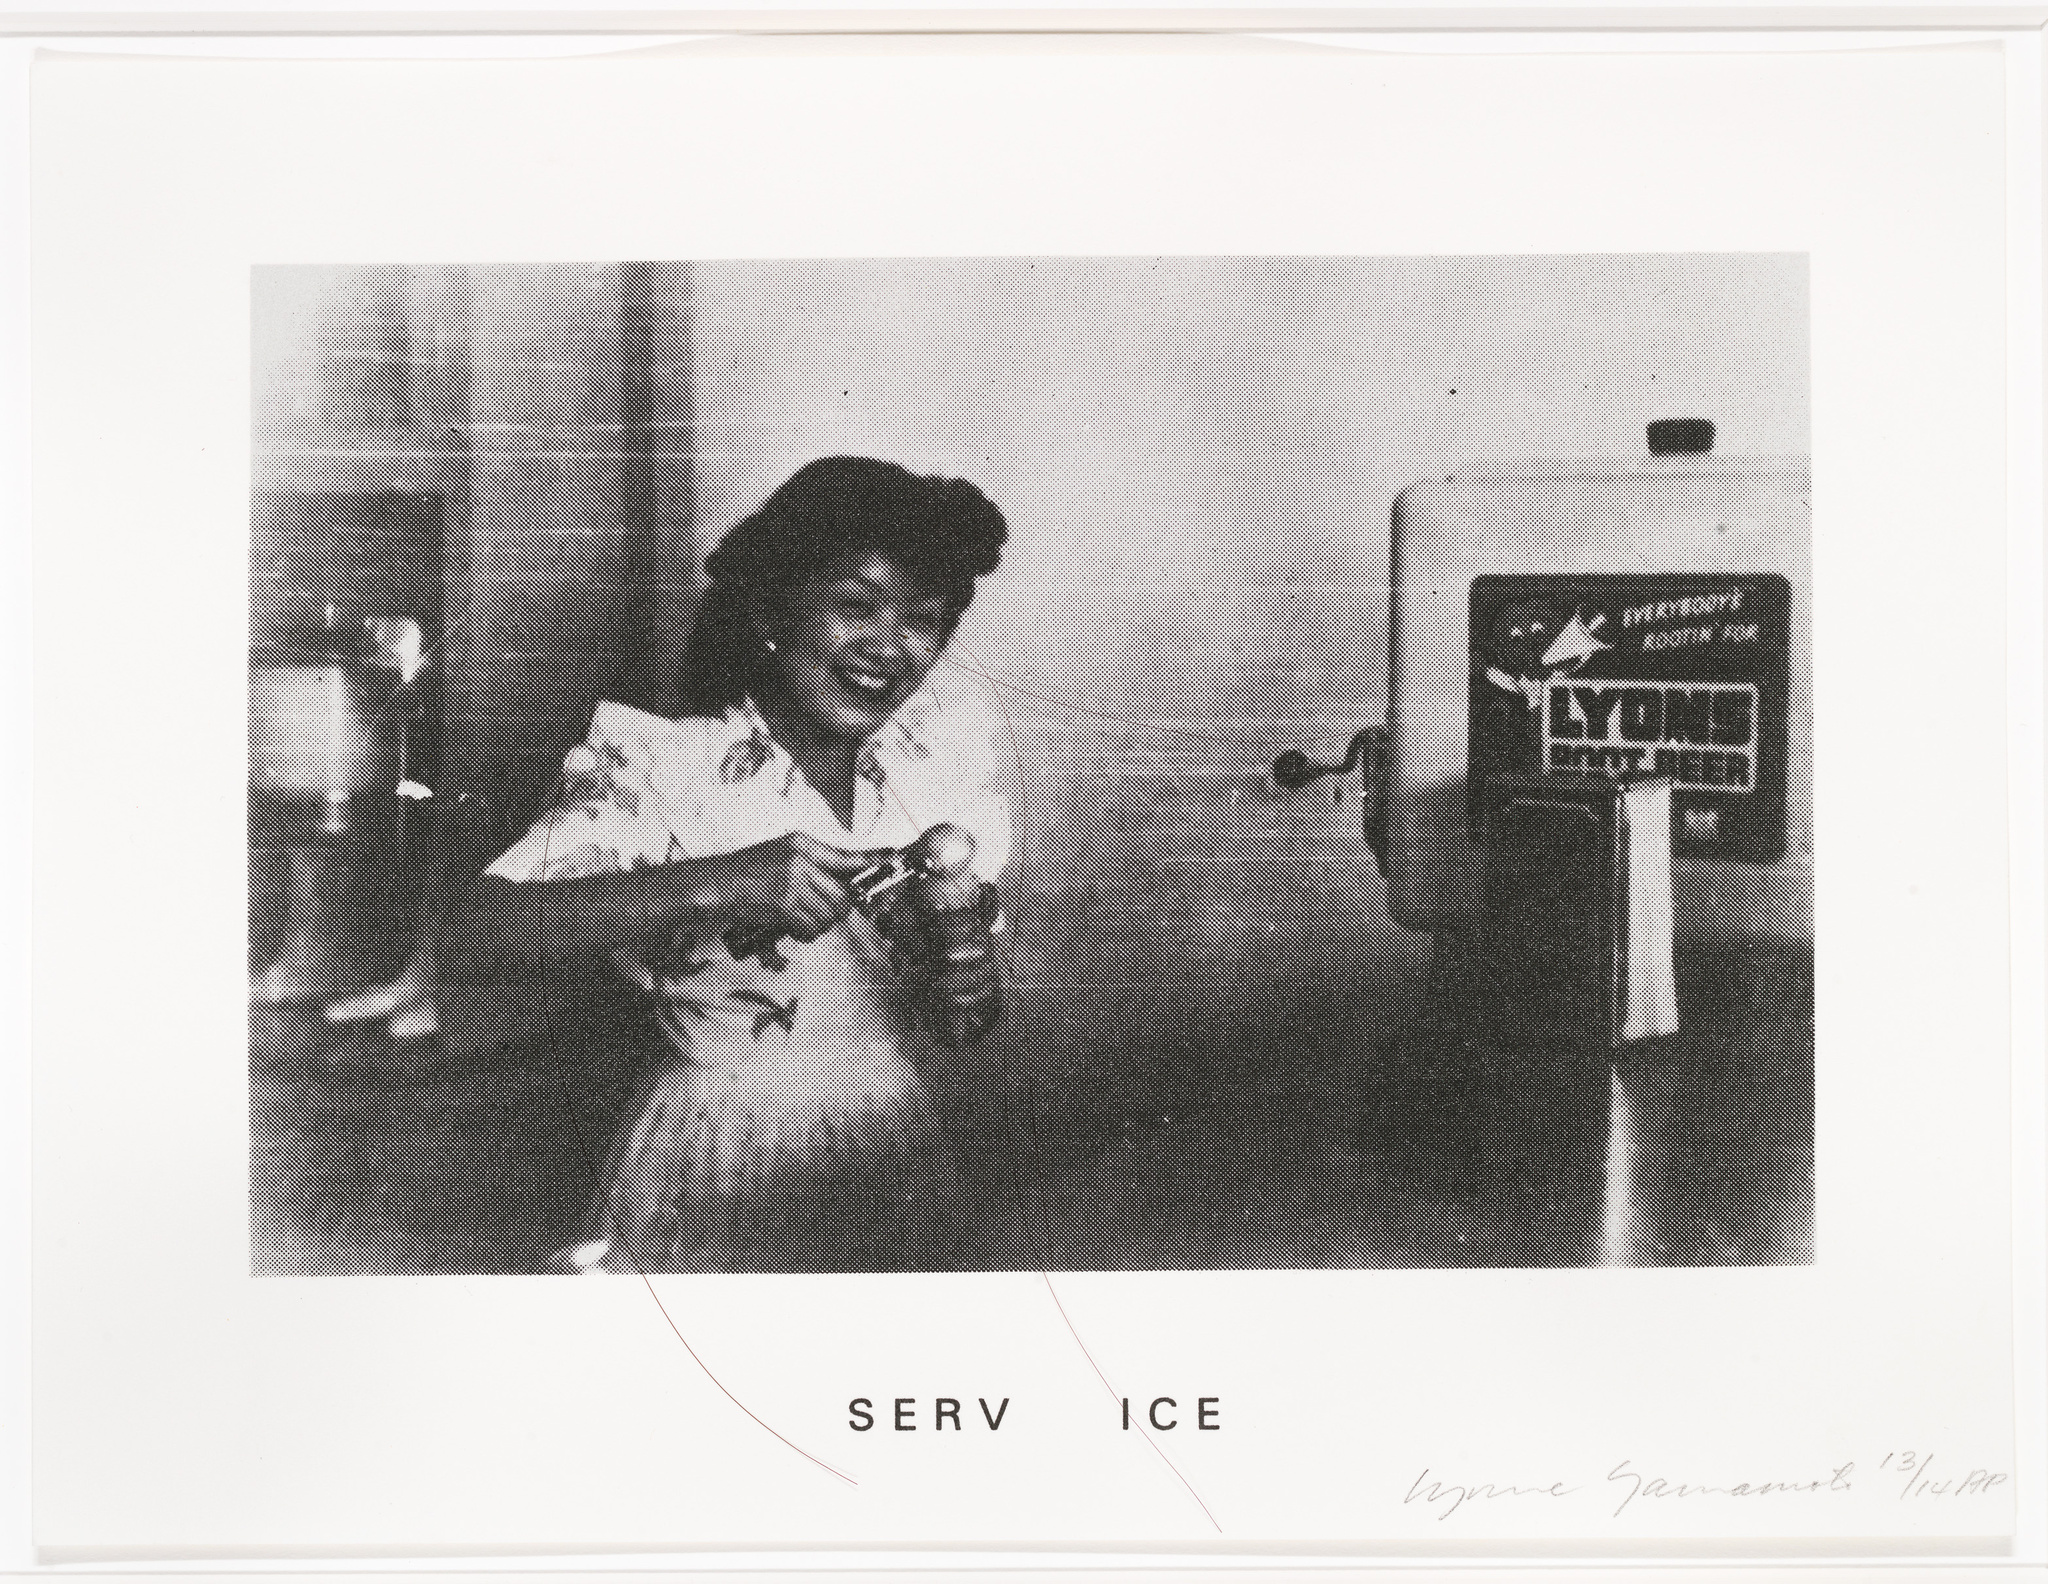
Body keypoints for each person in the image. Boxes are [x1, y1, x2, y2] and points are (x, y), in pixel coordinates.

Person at [445, 457, 1014, 1273]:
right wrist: (719, 881)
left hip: (889, 1140)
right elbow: (468, 936)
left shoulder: (935, 762)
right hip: (721, 1150)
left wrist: (958, 956)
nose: (888, 649)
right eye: (854, 606)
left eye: (924, 620)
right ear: (772, 607)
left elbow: (965, 1021)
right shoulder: (663, 768)